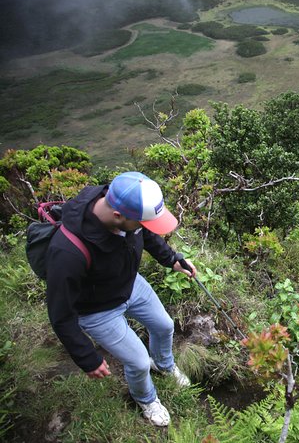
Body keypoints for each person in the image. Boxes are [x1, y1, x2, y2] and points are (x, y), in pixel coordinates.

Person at [45, 171, 197, 427]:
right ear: (117, 215)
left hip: (129, 284)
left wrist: (172, 259)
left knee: (165, 326)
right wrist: (86, 357)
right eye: (141, 222)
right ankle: (146, 398)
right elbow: (60, 313)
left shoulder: (127, 210)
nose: (144, 227)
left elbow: (145, 233)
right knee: (137, 362)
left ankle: (163, 364)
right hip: (97, 309)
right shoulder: (67, 251)